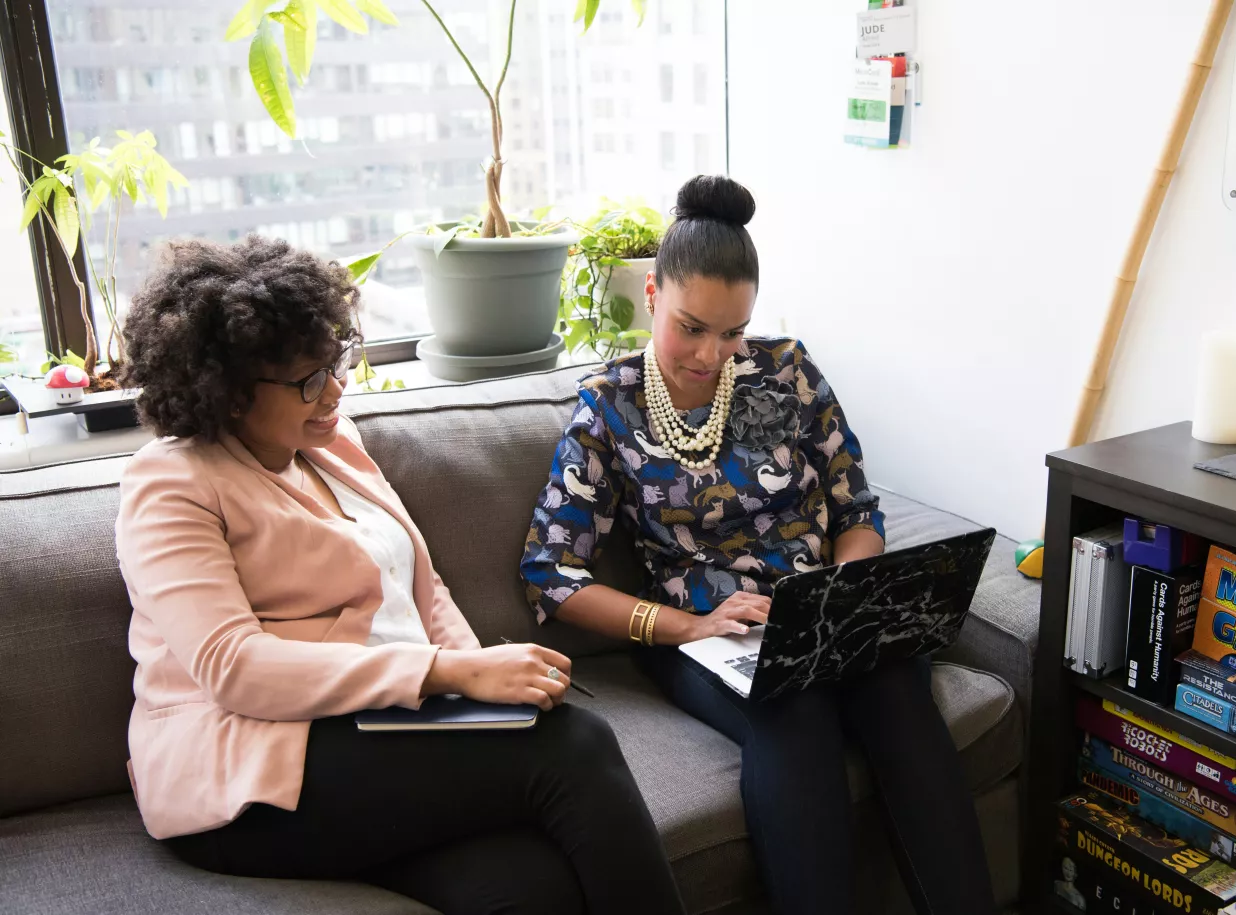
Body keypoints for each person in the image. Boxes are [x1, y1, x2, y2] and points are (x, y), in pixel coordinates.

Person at [115, 235, 686, 915]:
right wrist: (447, 675)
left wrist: (485, 691)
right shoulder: (171, 482)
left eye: (335, 360)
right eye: (307, 379)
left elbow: (422, 584)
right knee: (576, 743)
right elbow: (232, 665)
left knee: (530, 887)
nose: (335, 387)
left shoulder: (332, 444)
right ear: (231, 392)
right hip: (251, 772)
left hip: (379, 734)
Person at [520, 175, 996, 915]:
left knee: (898, 687)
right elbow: (550, 574)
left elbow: (856, 508)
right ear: (651, 295)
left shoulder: (788, 372)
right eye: (692, 326)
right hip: (707, 632)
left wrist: (845, 595)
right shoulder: (606, 410)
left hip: (822, 611)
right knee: (793, 711)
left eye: (732, 330)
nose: (712, 354)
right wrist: (690, 624)